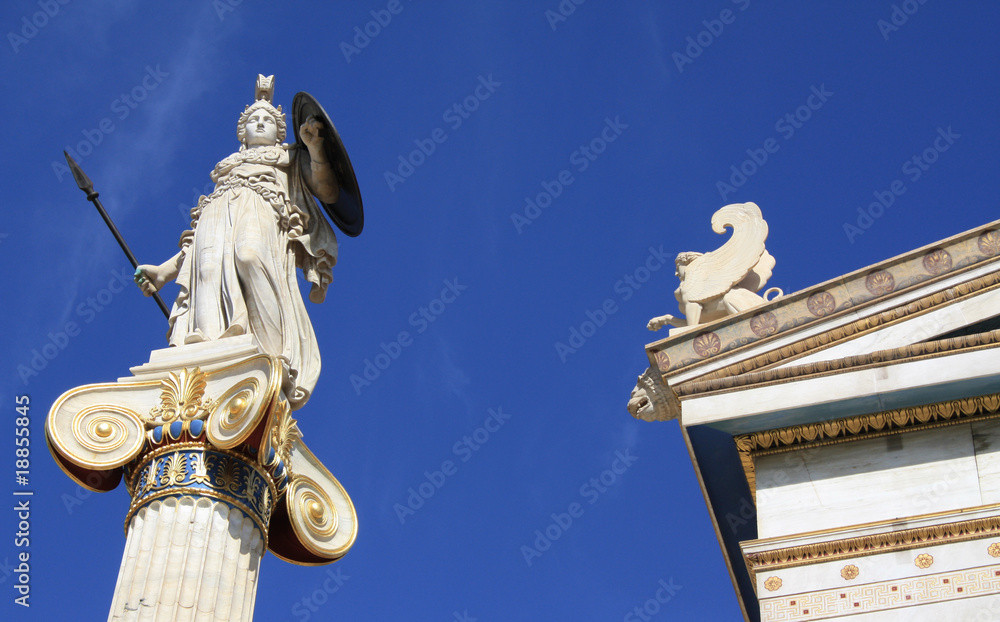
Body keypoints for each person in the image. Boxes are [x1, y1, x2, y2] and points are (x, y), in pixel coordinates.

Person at [135, 85, 339, 409]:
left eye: (267, 120)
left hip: (261, 208)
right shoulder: (226, 169)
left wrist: (315, 148)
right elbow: (193, 245)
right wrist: (163, 272)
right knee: (207, 268)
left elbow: (327, 191)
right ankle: (206, 339)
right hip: (217, 212)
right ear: (242, 132)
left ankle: (272, 353)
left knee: (249, 256)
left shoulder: (289, 157)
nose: (259, 123)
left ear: (279, 133)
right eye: (253, 119)